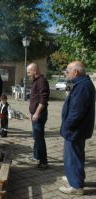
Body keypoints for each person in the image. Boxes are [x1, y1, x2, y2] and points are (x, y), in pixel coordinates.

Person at [58, 61, 95, 195]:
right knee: (73, 156)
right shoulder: (81, 83)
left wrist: (67, 125)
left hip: (75, 129)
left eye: (68, 71)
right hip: (76, 129)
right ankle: (74, 177)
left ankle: (76, 186)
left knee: (74, 157)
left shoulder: (83, 86)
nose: (66, 74)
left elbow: (77, 111)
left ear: (76, 72)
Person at [27, 63, 50, 169]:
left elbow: (43, 98)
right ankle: (37, 156)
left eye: (29, 72)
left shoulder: (42, 81)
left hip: (39, 114)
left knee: (39, 138)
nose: (28, 74)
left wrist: (36, 113)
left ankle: (43, 161)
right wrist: (32, 112)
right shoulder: (36, 81)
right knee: (36, 136)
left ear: (34, 71)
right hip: (35, 114)